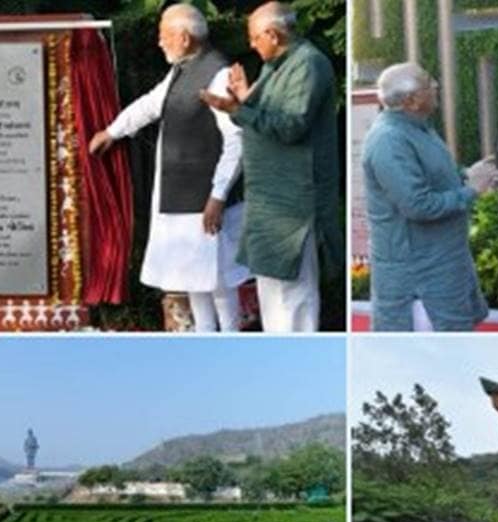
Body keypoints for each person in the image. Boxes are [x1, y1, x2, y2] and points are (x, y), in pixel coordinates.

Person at [89, 3, 248, 332]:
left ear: (184, 37)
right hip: (182, 196)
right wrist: (112, 131)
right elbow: (152, 103)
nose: (159, 43)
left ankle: (231, 339)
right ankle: (205, 338)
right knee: (193, 277)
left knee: (218, 280)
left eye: (164, 36)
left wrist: (218, 196)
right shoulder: (183, 69)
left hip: (205, 199)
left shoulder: (217, 75)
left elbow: (237, 139)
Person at [200, 1, 341, 332]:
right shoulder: (275, 65)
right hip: (268, 198)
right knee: (271, 294)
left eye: (254, 38)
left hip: (295, 200)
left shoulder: (308, 64)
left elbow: (291, 126)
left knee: (294, 296)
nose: (251, 45)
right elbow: (266, 116)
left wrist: (236, 109)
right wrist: (244, 98)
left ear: (273, 34)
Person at [361, 62, 498, 332]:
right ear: (411, 101)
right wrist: (471, 191)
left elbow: (435, 176)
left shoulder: (417, 128)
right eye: (428, 82)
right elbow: (418, 205)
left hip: (443, 265)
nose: (436, 85)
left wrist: (466, 175)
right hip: (420, 279)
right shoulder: (389, 141)